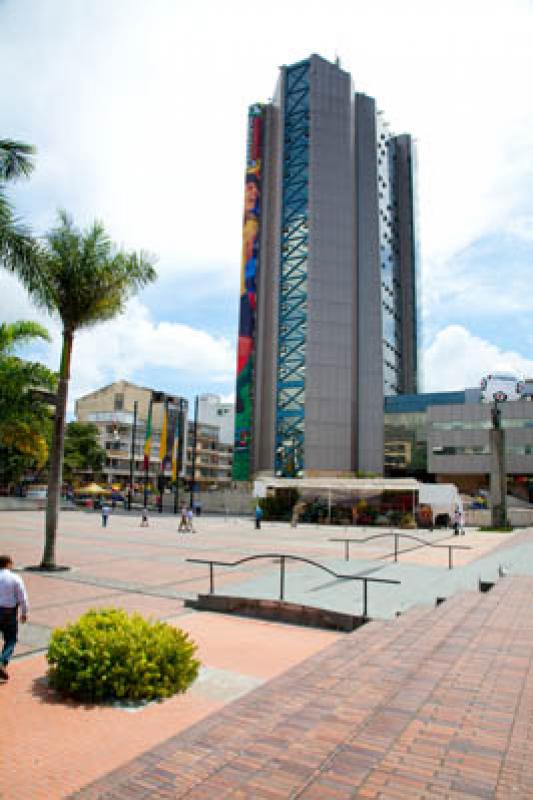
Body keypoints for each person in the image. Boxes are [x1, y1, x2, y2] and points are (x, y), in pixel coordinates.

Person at [0, 555, 29, 681]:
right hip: (9, 613)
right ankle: (2, 661)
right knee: (11, 639)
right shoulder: (15, 578)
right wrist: (24, 612)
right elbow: (23, 597)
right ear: (8, 564)